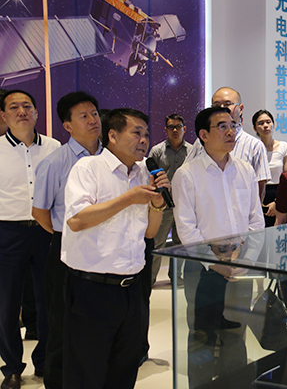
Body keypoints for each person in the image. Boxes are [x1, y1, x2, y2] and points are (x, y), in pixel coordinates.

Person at [60, 108, 168, 389]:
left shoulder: (145, 173)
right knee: (86, 372)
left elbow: (150, 233)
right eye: (136, 133)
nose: (144, 140)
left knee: (124, 368)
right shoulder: (88, 168)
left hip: (132, 288)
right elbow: (76, 220)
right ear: (113, 135)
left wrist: (157, 204)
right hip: (92, 289)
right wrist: (127, 198)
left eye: (146, 134)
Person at [171, 106, 264, 388]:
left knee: (236, 332)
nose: (230, 131)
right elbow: (186, 228)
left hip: (240, 266)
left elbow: (256, 220)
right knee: (202, 336)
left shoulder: (245, 170)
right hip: (203, 269)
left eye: (232, 125)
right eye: (222, 126)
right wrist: (213, 263)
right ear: (203, 135)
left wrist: (246, 259)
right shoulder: (187, 174)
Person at [31, 91, 102, 389]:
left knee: (99, 323)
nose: (93, 120)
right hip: (65, 249)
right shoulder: (55, 162)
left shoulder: (111, 157)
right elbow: (39, 211)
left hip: (106, 251)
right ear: (68, 126)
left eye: (94, 113)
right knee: (61, 323)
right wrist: (66, 236)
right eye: (83, 116)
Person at [0, 89, 60, 389]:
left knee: (49, 302)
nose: (21, 111)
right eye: (14, 107)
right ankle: (12, 367)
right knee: (7, 305)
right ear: (3, 115)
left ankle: (46, 362)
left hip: (46, 231)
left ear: (36, 112)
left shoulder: (54, 147)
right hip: (7, 233)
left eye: (27, 106)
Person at [186, 87, 271, 200]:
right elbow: (187, 174)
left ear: (240, 108)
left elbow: (259, 189)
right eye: (216, 105)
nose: (222, 109)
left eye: (227, 104)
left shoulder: (254, 145)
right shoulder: (202, 141)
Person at [148, 114, 192, 285]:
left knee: (181, 244)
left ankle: (175, 277)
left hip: (184, 205)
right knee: (157, 243)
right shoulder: (157, 151)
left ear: (184, 129)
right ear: (165, 130)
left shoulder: (192, 151)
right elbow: (150, 177)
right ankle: (150, 279)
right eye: (171, 127)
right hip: (163, 205)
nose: (175, 130)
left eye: (178, 126)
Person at [252, 109, 287, 227]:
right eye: (261, 123)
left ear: (273, 124)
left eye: (268, 122)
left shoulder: (284, 147)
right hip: (258, 194)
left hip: (279, 194)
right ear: (255, 128)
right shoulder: (253, 148)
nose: (265, 126)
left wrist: (277, 202)